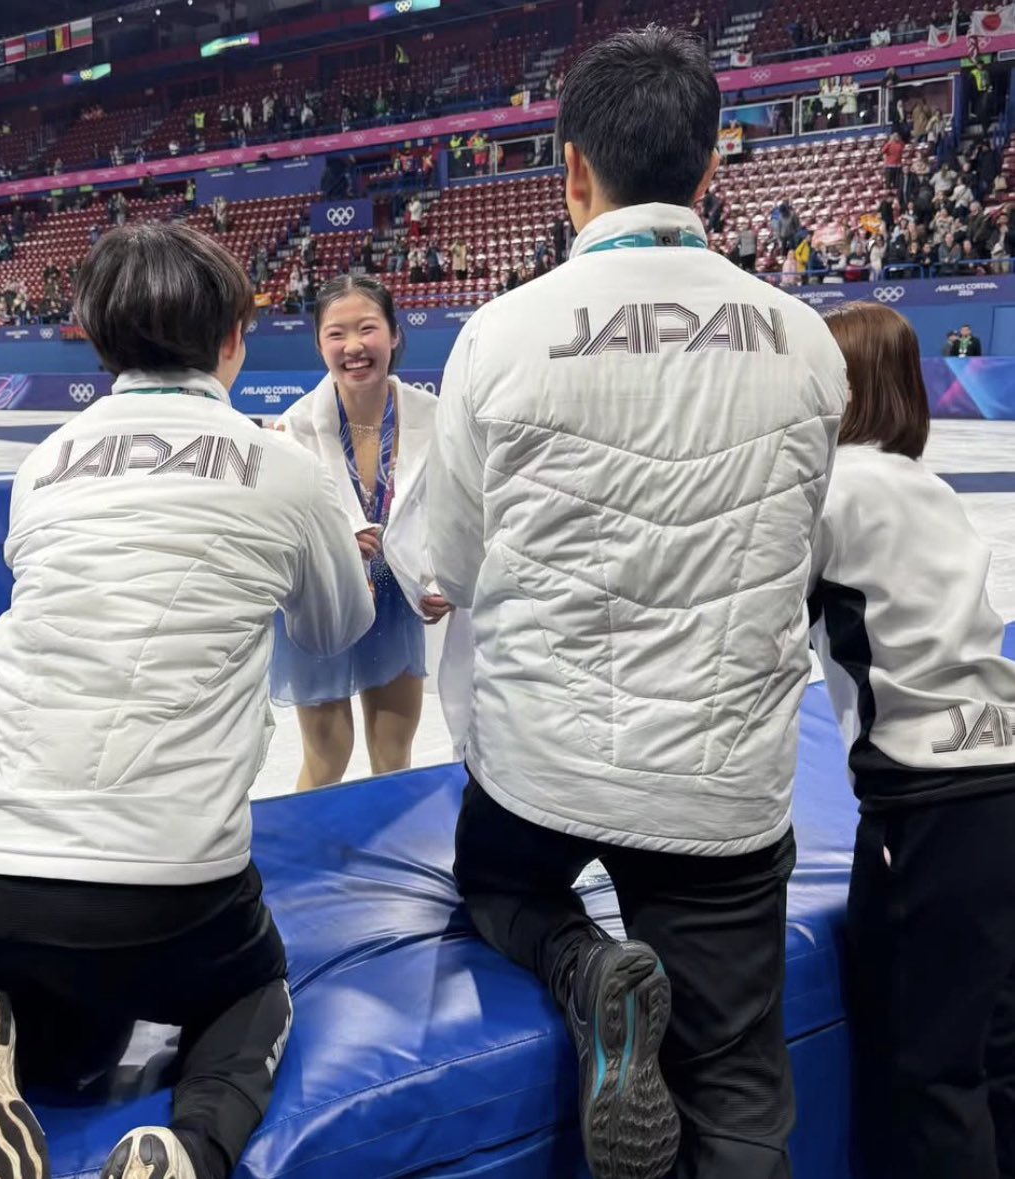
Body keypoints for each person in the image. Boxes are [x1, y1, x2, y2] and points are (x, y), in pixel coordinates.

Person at [427, 28, 847, 1179]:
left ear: (572, 170)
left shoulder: (500, 334)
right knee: (742, 1077)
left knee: (498, 885)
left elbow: (440, 561)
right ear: (713, 172)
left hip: (540, 769)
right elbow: (804, 544)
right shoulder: (810, 345)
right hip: (723, 788)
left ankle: (583, 969)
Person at [0, 223, 374, 1179]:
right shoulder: (281, 470)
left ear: (95, 339)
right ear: (234, 342)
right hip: (161, 894)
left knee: (86, 1038)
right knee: (252, 993)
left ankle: (3, 1030)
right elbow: (335, 635)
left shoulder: (42, 467)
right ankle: (188, 1149)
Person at [811, 301, 1015, 1179]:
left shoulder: (830, 487)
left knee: (928, 1071)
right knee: (992, 1053)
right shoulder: (923, 485)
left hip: (926, 802)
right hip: (998, 771)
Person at [271, 275, 456, 791]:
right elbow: (282, 530)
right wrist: (335, 545)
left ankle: (391, 870)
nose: (353, 346)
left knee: (393, 753)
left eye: (367, 328)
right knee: (328, 758)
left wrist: (443, 578)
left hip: (397, 597)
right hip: (326, 595)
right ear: (319, 344)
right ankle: (308, 865)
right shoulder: (292, 429)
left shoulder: (433, 418)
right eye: (336, 334)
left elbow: (455, 511)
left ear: (394, 335)